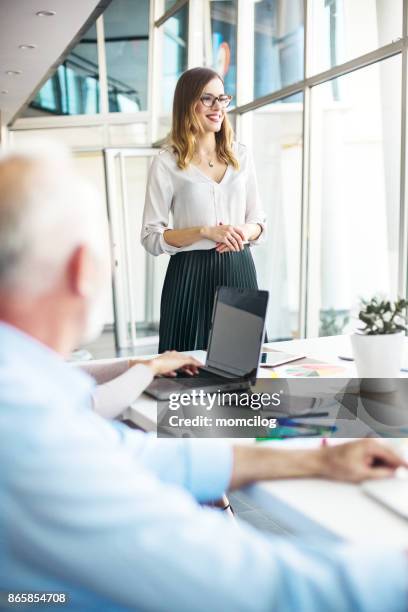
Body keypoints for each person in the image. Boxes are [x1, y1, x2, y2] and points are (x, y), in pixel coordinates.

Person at [1, 145, 407, 612]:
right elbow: (267, 590)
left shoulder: (30, 392)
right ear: (83, 270)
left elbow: (133, 454)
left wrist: (313, 463)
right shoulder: (31, 437)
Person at [141, 67, 266, 352]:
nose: (217, 107)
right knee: (188, 377)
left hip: (239, 270)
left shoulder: (241, 156)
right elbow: (151, 236)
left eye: (222, 98)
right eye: (207, 99)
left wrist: (241, 232)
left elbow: (259, 220)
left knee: (242, 368)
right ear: (188, 104)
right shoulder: (166, 163)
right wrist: (205, 232)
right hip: (189, 278)